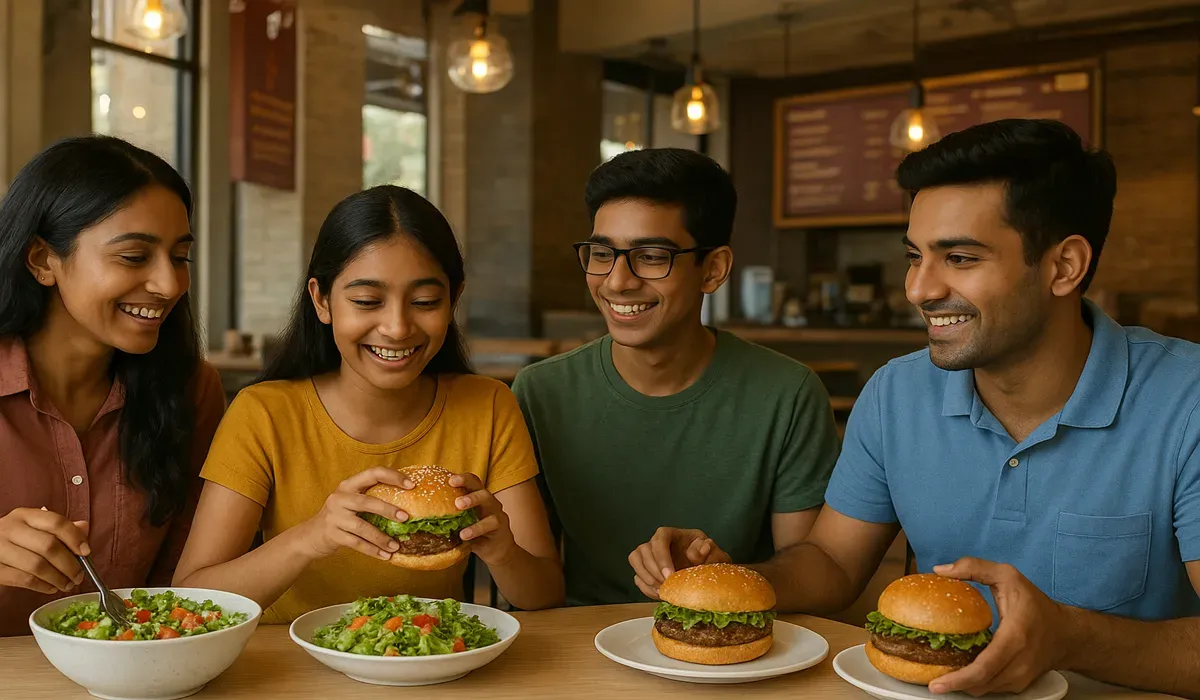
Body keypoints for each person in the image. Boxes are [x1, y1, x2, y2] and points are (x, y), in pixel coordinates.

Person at [657, 120, 1200, 698]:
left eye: (960, 258)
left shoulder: (1186, 400)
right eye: (915, 256)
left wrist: (1070, 637)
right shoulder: (895, 395)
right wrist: (731, 580)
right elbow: (833, 564)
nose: (918, 289)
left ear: (1063, 266)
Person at [173, 185, 563, 620]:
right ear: (321, 300)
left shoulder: (488, 405)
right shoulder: (262, 413)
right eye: (366, 301)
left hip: (432, 667)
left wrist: (504, 552)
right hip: (290, 671)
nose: (397, 328)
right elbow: (190, 597)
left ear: (454, 299)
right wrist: (313, 536)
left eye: (424, 302)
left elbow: (544, 595)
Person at [512, 148, 840, 606]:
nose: (617, 281)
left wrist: (725, 577)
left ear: (713, 269)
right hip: (580, 649)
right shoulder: (539, 392)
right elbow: (531, 574)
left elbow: (809, 573)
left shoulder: (787, 394)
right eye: (602, 253)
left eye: (650, 256)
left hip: (736, 651)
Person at [0, 136, 225, 636]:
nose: (169, 284)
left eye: (180, 256)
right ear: (42, 260)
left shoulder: (192, 391)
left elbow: (183, 587)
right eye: (133, 256)